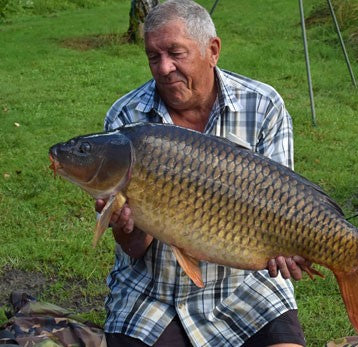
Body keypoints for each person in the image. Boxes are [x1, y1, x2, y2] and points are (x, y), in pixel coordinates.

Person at [96, 1, 309, 346]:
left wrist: (289, 245)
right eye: (153, 56)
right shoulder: (126, 121)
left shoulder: (264, 105)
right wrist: (124, 226)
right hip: (152, 291)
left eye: (176, 53)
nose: (164, 68)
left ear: (213, 50)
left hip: (246, 288)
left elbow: (284, 206)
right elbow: (133, 249)